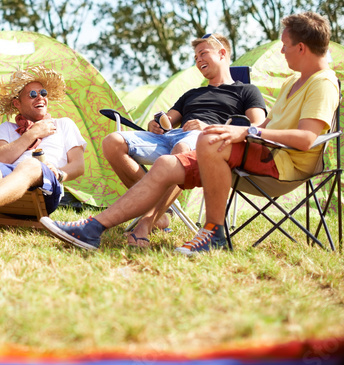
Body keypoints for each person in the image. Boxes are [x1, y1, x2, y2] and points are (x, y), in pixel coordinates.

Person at [42, 12, 339, 256]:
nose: (282, 50)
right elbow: (263, 129)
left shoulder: (322, 83)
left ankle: (214, 231)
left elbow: (306, 139)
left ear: (301, 47)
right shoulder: (292, 83)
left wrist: (240, 130)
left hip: (283, 165)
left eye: (285, 44)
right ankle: (93, 227)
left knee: (204, 140)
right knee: (166, 165)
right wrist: (236, 132)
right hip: (252, 152)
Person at [102, 33, 266, 247]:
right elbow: (168, 120)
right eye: (196, 57)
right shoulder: (192, 93)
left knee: (182, 148)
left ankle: (146, 223)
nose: (198, 61)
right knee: (112, 141)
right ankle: (159, 213)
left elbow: (256, 127)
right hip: (171, 137)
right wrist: (157, 124)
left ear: (222, 53)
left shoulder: (246, 91)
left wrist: (208, 128)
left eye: (203, 54)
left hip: (206, 141)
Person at [0, 65, 86, 237]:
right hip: (7, 185)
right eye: (32, 94)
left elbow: (78, 165)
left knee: (31, 164)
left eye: (43, 93)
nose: (40, 97)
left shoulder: (64, 124)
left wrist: (60, 173)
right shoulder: (7, 128)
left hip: (45, 189)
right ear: (18, 103)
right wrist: (32, 134)